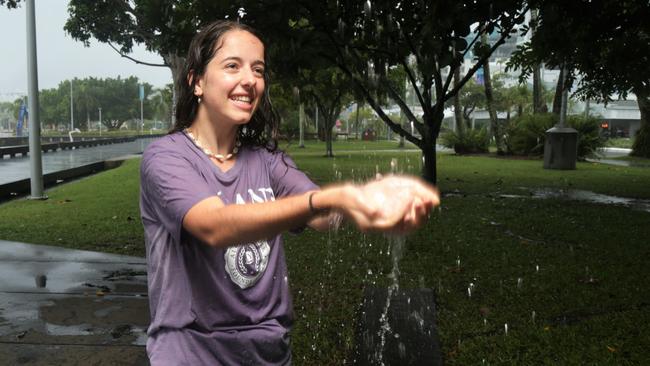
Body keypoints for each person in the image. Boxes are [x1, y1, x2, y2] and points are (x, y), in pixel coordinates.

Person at [139, 20, 440, 365]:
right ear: (196, 81)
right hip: (191, 352)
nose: (249, 80)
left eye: (258, 69)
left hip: (269, 354)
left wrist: (365, 199)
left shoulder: (267, 160)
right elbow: (213, 225)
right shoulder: (166, 157)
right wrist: (329, 198)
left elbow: (324, 217)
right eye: (232, 66)